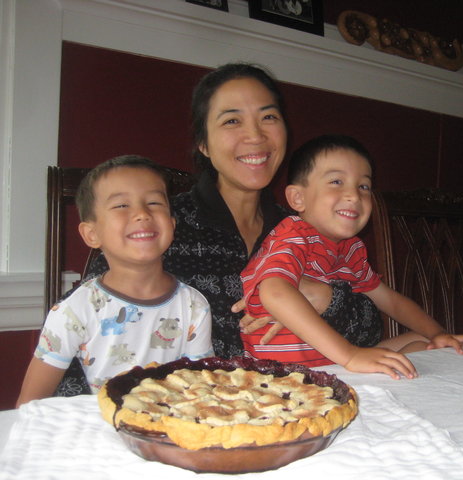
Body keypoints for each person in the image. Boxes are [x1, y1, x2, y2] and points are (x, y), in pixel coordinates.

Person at [59, 63, 381, 395]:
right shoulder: (160, 227)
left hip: (296, 404)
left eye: (268, 117)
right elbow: (79, 334)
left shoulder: (307, 229)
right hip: (184, 415)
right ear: (204, 144)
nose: (255, 136)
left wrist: (320, 298)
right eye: (231, 120)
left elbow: (371, 331)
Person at [241, 135, 463, 379]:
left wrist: (439, 333)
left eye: (363, 186)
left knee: (427, 341)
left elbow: (391, 301)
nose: (354, 195)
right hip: (283, 376)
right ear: (298, 198)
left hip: (331, 362)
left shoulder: (350, 248)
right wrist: (351, 355)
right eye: (336, 181)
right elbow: (274, 293)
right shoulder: (293, 235)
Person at [17, 156, 214, 406]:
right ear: (92, 234)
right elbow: (30, 404)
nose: (142, 214)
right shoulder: (74, 311)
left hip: (169, 432)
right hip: (99, 432)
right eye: (121, 205)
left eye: (154, 202)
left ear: (172, 225)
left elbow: (200, 391)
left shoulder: (194, 306)